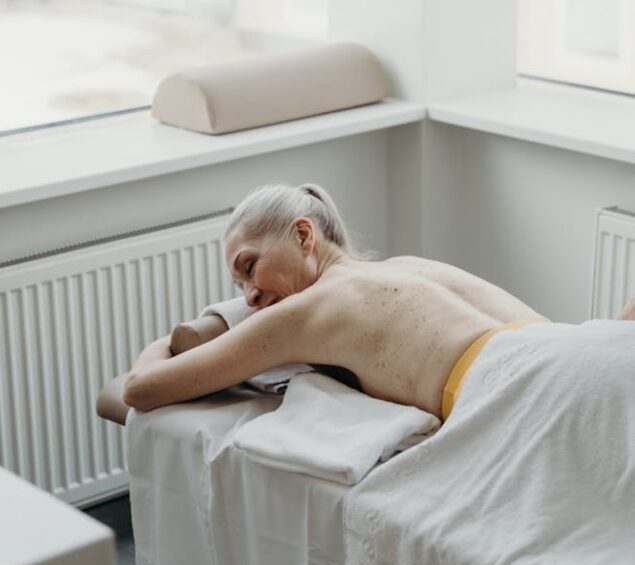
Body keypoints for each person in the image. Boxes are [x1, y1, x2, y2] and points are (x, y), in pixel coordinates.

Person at [121, 181, 605, 423]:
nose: (248, 296)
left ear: (304, 235)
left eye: (249, 267)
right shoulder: (408, 265)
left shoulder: (304, 311)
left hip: (528, 393)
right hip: (575, 351)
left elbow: (140, 389)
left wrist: (168, 339)